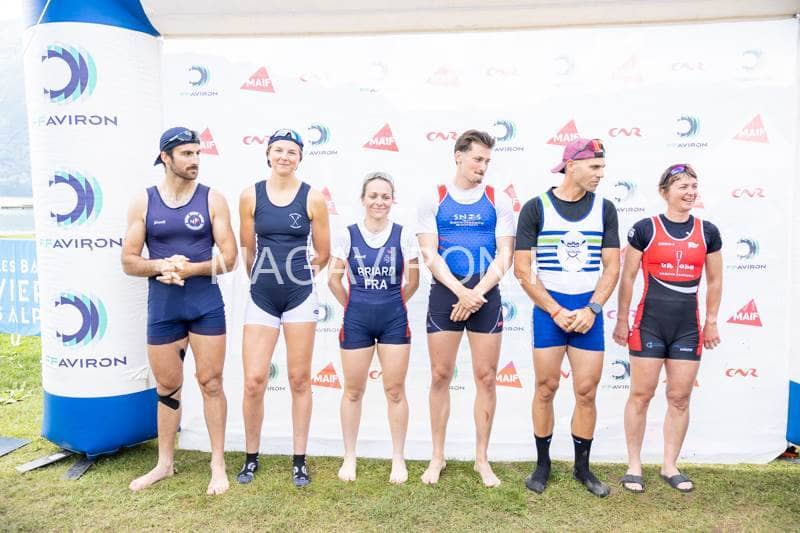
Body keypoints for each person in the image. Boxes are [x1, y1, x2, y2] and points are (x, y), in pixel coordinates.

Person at [122, 127, 237, 495]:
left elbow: (230, 258)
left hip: (205, 305)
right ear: (165, 158)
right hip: (164, 308)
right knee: (168, 386)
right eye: (187, 153)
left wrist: (191, 269)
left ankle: (217, 463)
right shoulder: (143, 202)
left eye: (198, 153)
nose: (195, 160)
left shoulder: (213, 199)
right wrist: (162, 266)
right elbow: (128, 261)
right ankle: (164, 464)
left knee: (211, 383)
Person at [514, 138, 620, 497]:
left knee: (586, 391)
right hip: (551, 311)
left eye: (603, 168)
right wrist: (555, 309)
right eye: (595, 167)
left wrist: (592, 309)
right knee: (546, 387)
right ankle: (542, 465)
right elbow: (523, 269)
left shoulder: (605, 209)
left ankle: (582, 468)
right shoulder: (536, 208)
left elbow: (612, 267)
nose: (601, 174)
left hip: (588, 311)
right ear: (571, 166)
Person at [613, 163, 722, 494]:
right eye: (682, 186)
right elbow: (627, 277)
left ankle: (669, 465)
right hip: (649, 325)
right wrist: (622, 319)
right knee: (641, 395)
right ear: (665, 192)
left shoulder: (708, 232)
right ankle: (634, 465)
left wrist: (711, 321)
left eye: (693, 186)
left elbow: (715, 280)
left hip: (687, 328)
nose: (690, 192)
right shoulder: (645, 229)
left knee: (679, 397)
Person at [416, 129, 516, 488]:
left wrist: (476, 294)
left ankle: (481, 459)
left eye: (487, 160)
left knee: (486, 377)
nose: (483, 166)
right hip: (447, 293)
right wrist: (461, 292)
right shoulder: (434, 197)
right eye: (477, 159)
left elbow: (505, 255)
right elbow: (430, 254)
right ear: (458, 156)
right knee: (440, 375)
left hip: (485, 294)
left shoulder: (498, 200)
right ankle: (437, 457)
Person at [237, 128, 330, 488]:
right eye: (278, 150)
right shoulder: (250, 196)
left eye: (292, 152)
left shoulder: (313, 198)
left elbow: (323, 253)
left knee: (299, 379)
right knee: (253, 380)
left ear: (300, 157)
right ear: (268, 154)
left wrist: (297, 276)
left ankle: (299, 460)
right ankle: (251, 457)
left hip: (299, 296)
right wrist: (264, 278)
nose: (284, 157)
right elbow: (248, 251)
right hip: (262, 295)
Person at [328, 172, 420, 484]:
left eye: (385, 196)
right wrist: (354, 306)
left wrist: (391, 302)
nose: (379, 201)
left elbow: (413, 282)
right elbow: (333, 280)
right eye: (373, 196)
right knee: (353, 391)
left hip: (394, 319)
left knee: (395, 390)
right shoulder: (347, 234)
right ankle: (349, 456)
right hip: (357, 322)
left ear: (392, 200)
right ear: (363, 199)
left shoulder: (404, 235)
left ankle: (398, 457)